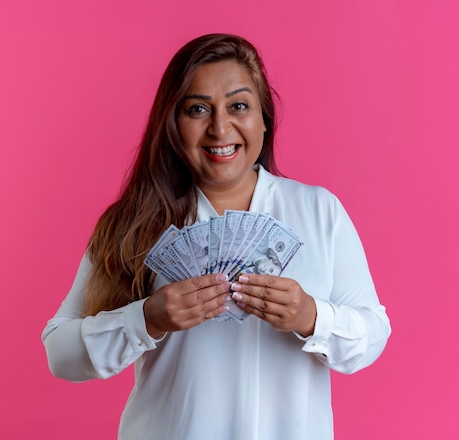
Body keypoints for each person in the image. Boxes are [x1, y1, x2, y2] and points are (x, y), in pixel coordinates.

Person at [42, 34, 391, 440]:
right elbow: (60, 354)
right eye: (197, 109)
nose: (220, 127)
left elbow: (373, 336)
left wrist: (311, 317)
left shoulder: (320, 211)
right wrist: (147, 319)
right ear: (173, 122)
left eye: (238, 106)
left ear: (264, 118)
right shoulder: (135, 223)